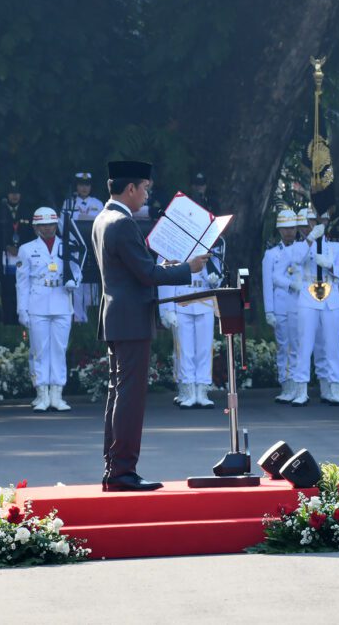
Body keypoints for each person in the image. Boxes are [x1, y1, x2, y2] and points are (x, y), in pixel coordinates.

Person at [92, 160, 208, 492]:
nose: (146, 195)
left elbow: (137, 268)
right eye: (144, 188)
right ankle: (122, 471)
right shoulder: (122, 223)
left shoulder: (104, 218)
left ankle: (114, 467)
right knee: (129, 397)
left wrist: (166, 267)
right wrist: (188, 268)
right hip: (130, 319)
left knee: (119, 394)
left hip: (118, 317)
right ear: (130, 188)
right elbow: (147, 274)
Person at [16, 206, 81, 412]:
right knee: (39, 350)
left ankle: (57, 394)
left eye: (51, 224)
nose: (48, 228)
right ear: (36, 227)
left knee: (59, 349)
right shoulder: (27, 249)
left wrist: (74, 282)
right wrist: (22, 309)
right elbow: (22, 283)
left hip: (62, 301)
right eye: (43, 225)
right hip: (37, 304)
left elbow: (78, 270)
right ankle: (42, 393)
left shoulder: (67, 246)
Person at [290, 208, 339, 406]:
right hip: (308, 294)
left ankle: (332, 389)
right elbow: (295, 259)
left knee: (332, 345)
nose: (313, 226)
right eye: (309, 223)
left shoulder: (335, 246)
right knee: (304, 344)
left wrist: (331, 266)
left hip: (330, 294)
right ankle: (300, 389)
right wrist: (309, 241)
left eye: (316, 222)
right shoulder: (301, 245)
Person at [159, 247, 222, 409]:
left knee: (204, 350)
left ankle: (202, 391)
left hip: (205, 300)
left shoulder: (210, 243)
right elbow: (164, 275)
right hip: (181, 300)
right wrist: (167, 309)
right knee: (184, 350)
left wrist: (216, 280)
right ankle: (188, 391)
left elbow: (216, 271)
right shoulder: (176, 242)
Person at [263, 209, 301, 403]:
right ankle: (286, 384)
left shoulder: (302, 248)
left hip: (299, 305)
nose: (289, 232)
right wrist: (269, 310)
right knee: (283, 347)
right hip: (280, 306)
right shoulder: (272, 254)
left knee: (297, 346)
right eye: (285, 229)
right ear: (279, 230)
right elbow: (267, 283)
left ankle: (297, 384)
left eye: (292, 228)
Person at [63, 172, 104, 323]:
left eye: (87, 185)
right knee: (77, 282)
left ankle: (92, 318)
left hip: (93, 247)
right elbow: (63, 226)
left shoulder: (98, 204)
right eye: (81, 185)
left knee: (92, 283)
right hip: (75, 249)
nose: (84, 188)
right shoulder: (69, 203)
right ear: (77, 186)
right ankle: (78, 318)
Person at [0, 180, 26, 324]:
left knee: (21, 288)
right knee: (7, 290)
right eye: (11, 193)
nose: (14, 196)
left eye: (17, 193)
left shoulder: (26, 210)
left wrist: (20, 248)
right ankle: (8, 321)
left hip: (22, 256)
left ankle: (21, 321)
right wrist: (6, 246)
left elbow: (31, 233)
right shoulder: (1, 210)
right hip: (5, 257)